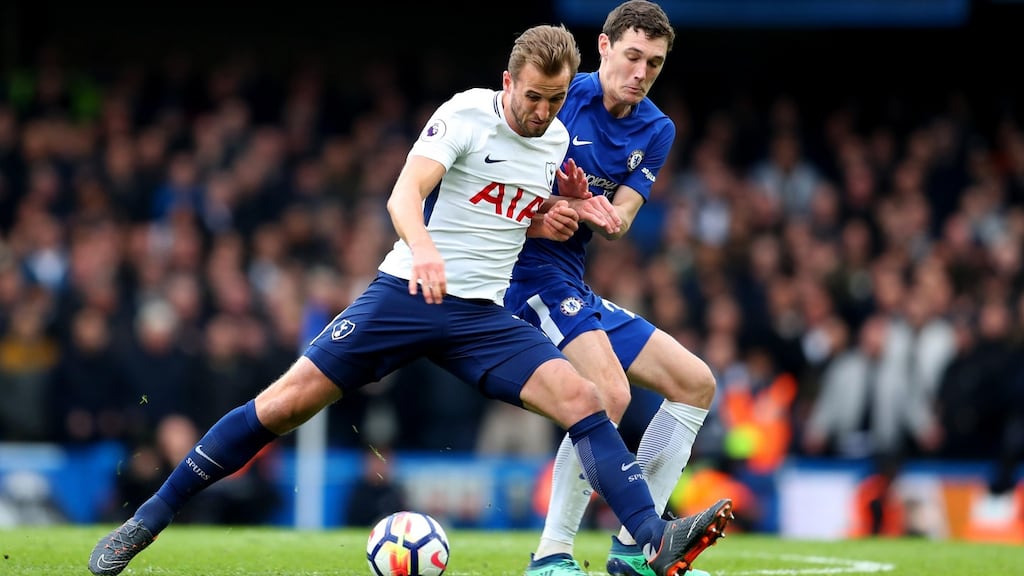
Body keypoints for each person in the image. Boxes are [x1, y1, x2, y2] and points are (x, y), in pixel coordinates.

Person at [88, 24, 731, 576]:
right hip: (405, 294)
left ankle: (651, 538)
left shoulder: (558, 143)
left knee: (586, 398)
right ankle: (147, 520)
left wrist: (555, 212)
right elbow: (403, 196)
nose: (541, 112)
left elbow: (511, 212)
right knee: (283, 406)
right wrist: (422, 249)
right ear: (507, 83)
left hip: (482, 316)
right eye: (532, 97)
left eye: (555, 100)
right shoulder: (465, 114)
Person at [504, 3, 730, 576]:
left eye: (653, 63)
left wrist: (594, 212)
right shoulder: (558, 96)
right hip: (523, 275)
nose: (641, 72)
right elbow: (492, 182)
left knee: (695, 383)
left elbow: (621, 218)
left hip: (571, 281)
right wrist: (562, 204)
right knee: (608, 391)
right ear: (603, 48)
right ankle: (551, 554)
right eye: (632, 56)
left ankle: (636, 546)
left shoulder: (657, 128)